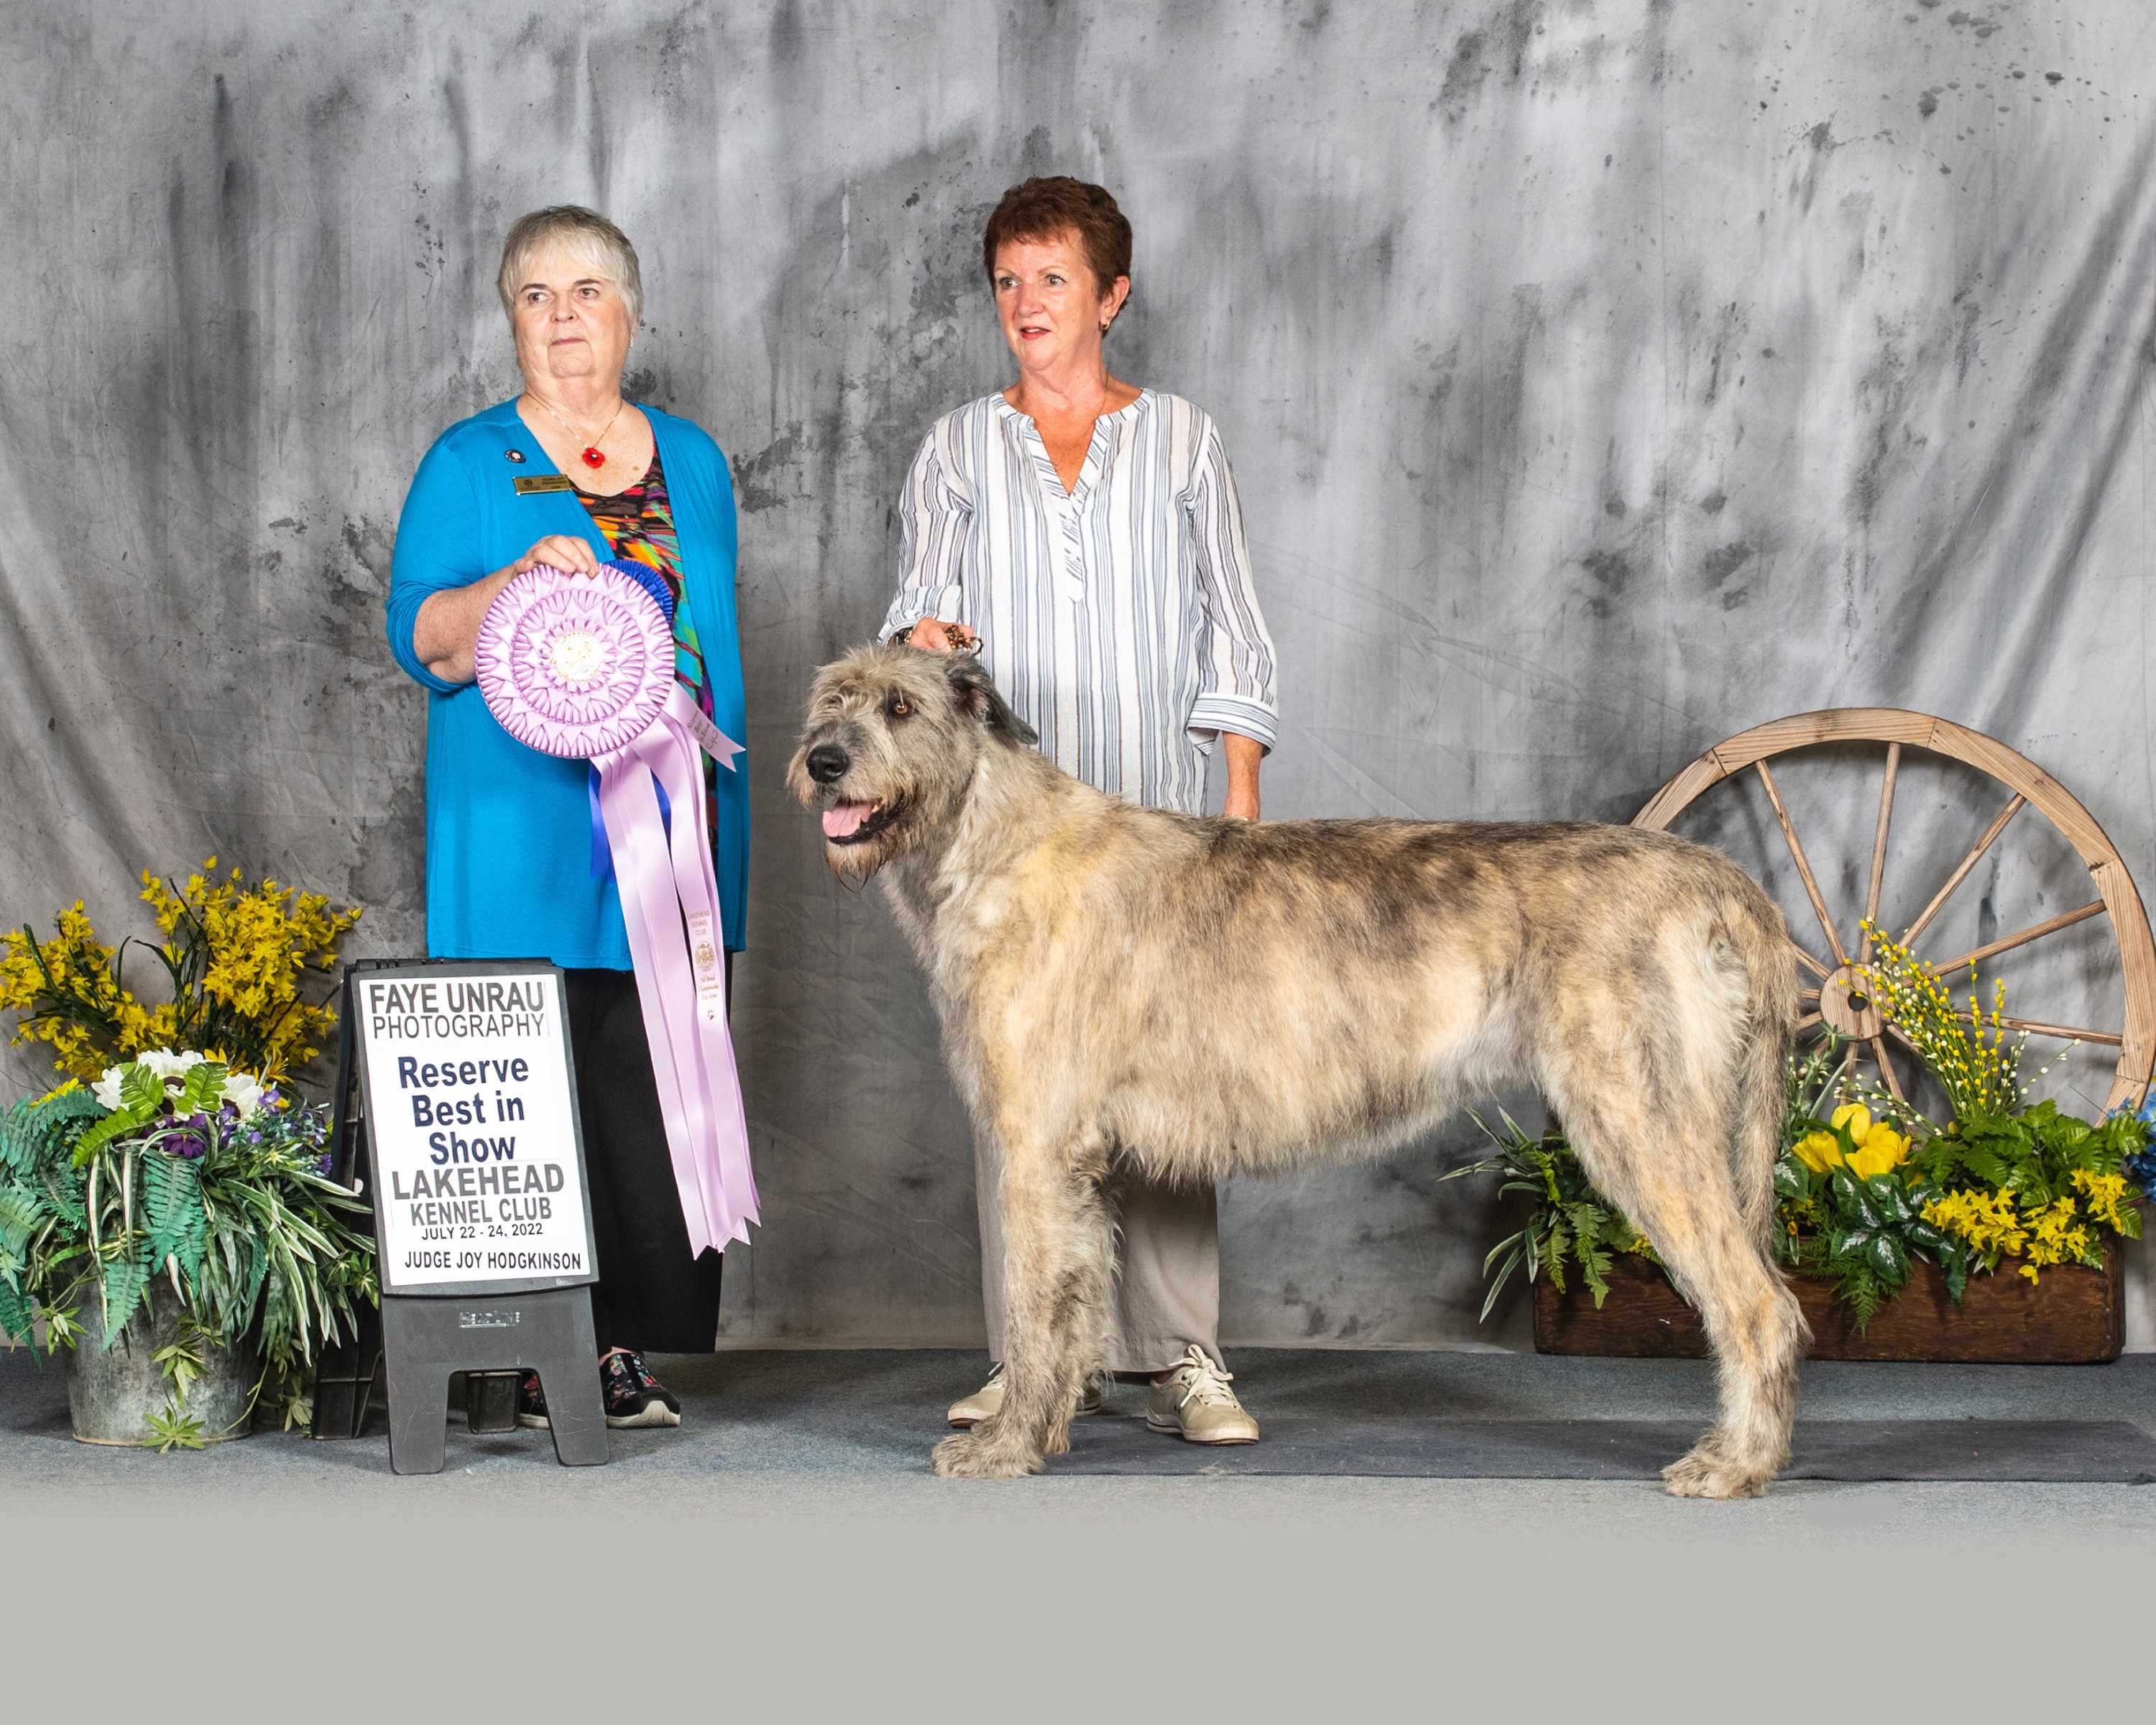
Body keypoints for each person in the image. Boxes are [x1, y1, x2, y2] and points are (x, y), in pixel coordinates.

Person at [881, 177, 1279, 1444]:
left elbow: (1236, 625)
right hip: (1010, 833)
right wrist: (923, 637)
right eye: (1008, 281)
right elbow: (913, 623)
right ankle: (1034, 1359)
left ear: (1111, 296)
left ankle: (1183, 1357)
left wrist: (1241, 792)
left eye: (1051, 278)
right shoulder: (956, 447)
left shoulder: (1183, 438)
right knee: (1023, 1091)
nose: (1026, 302)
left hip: (1158, 823)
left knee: (1172, 1079)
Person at [385, 206, 749, 1430]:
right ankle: (543, 1349)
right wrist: (508, 586)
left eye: (588, 291)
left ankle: (627, 1346)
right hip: (521, 830)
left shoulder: (693, 460)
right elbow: (420, 638)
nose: (564, 316)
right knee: (540, 1089)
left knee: (650, 1084)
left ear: (630, 313)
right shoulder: (466, 461)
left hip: (678, 826)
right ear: (511, 321)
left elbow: (704, 639)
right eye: (536, 295)